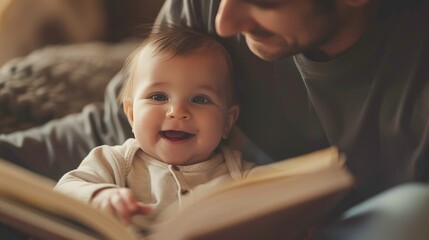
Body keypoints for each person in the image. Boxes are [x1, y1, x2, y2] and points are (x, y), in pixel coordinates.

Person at [1, 0, 428, 239]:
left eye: (262, 1)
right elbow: (105, 135)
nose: (224, 22)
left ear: (229, 120)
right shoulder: (120, 158)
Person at [53, 26, 255, 227]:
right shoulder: (116, 162)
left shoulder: (241, 175)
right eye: (158, 97)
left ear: (227, 122)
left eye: (200, 99)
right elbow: (64, 190)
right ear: (131, 115)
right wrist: (100, 195)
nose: (177, 111)